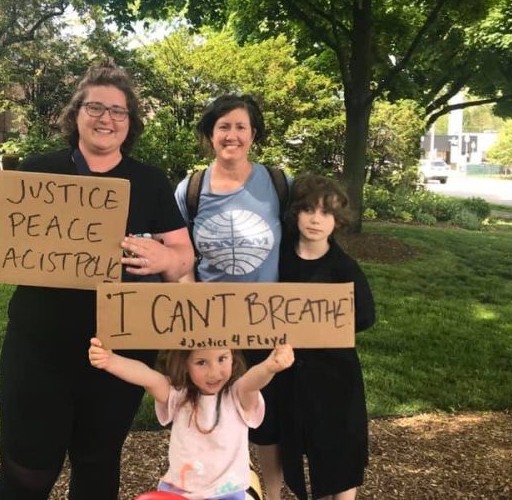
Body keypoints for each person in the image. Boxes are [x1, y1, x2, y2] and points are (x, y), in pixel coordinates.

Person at [0, 64, 194, 500]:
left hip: (118, 350)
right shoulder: (39, 171)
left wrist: (164, 256)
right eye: (95, 106)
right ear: (76, 113)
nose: (106, 118)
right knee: (27, 470)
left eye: (119, 111)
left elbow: (183, 258)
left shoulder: (149, 182)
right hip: (39, 345)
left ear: (130, 123)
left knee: (97, 465)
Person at [174, 94, 289, 499]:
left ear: (253, 134)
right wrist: (189, 304)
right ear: (209, 135)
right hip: (210, 328)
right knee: (204, 415)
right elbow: (180, 254)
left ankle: (271, 494)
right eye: (223, 127)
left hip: (264, 321)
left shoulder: (277, 184)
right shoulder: (190, 189)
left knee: (265, 421)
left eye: (241, 126)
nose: (232, 135)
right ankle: (203, 489)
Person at [88, 338, 295, 500]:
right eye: (201, 362)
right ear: (185, 363)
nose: (214, 372)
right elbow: (147, 377)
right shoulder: (178, 397)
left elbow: (252, 381)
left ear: (233, 356)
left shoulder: (238, 395)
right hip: (178, 494)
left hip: (228, 495)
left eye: (222, 359)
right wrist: (111, 360)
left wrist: (269, 366)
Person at [274, 173, 376, 500]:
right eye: (308, 210)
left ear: (338, 221)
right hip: (288, 374)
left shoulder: (344, 268)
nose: (316, 219)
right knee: (294, 446)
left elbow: (365, 316)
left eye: (326, 213)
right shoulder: (279, 259)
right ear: (295, 214)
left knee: (339, 450)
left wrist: (319, 325)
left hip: (334, 375)